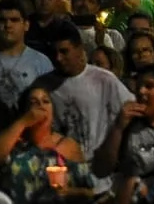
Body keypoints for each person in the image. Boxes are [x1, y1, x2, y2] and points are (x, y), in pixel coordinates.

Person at [35, 23, 134, 192]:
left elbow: (130, 111)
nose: (58, 58)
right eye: (54, 53)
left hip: (99, 177)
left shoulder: (104, 80)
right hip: (60, 177)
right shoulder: (42, 86)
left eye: (64, 51)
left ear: (79, 49)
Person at [0, 84, 95, 202]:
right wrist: (23, 122)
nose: (41, 106)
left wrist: (69, 192)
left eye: (46, 101)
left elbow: (89, 192)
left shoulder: (68, 145)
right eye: (33, 102)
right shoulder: (14, 144)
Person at [0, 0, 54, 112]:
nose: (8, 25)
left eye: (14, 20)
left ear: (26, 25)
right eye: (2, 20)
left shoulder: (41, 62)